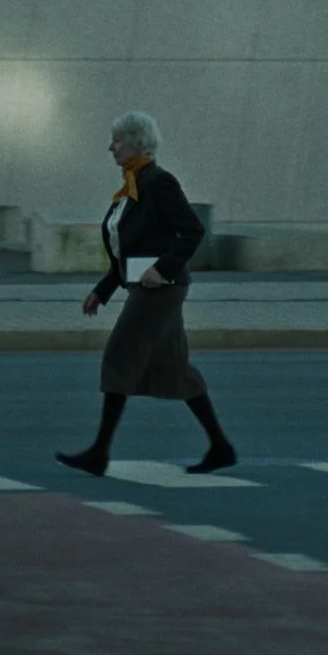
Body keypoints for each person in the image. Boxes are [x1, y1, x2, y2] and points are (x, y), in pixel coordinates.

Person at [55, 111, 235, 477]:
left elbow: (192, 231)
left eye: (117, 140)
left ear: (138, 142)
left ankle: (99, 453)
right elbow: (127, 249)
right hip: (145, 285)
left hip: (161, 289)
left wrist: (163, 268)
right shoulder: (130, 188)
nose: (111, 147)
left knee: (120, 355)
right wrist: (103, 290)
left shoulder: (159, 182)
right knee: (175, 368)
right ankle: (220, 446)